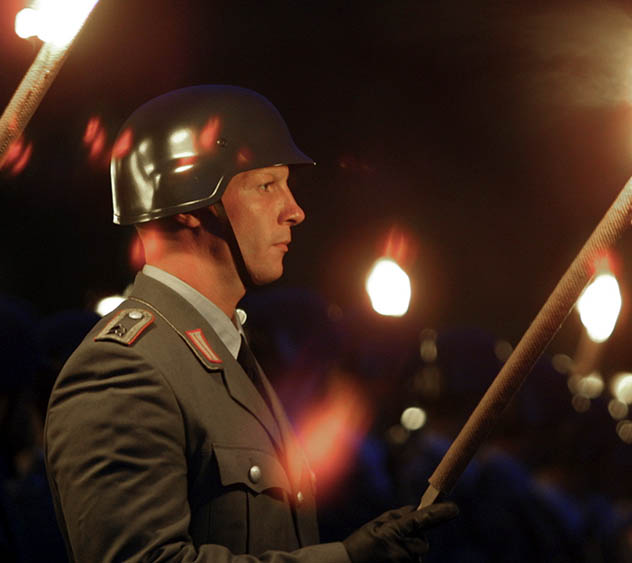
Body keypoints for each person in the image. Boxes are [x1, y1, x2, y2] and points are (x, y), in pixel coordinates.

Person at [44, 85, 457, 562]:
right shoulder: (123, 371)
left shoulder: (224, 355)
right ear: (190, 202)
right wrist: (343, 560)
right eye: (266, 185)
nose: (295, 211)